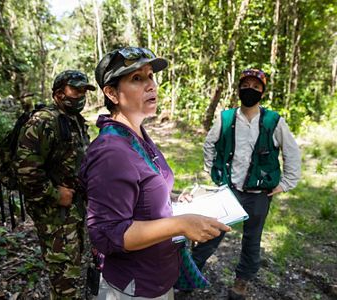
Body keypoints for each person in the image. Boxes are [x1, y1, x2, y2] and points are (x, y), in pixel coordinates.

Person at [79, 46, 231, 299]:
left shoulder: (136, 135)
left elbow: (140, 198)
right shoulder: (111, 152)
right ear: (111, 93)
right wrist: (180, 224)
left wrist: (171, 205)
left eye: (150, 76)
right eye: (137, 79)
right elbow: (107, 234)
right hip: (134, 287)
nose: (151, 85)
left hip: (158, 277)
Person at [192, 68, 301, 300]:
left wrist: (285, 183)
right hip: (229, 190)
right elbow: (209, 144)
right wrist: (213, 172)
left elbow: (292, 152)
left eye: (255, 86)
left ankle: (241, 283)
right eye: (245, 85)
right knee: (211, 234)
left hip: (260, 193)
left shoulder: (274, 121)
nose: (249, 90)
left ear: (262, 92)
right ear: (238, 88)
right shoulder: (226, 118)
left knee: (252, 239)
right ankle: (188, 275)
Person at [15, 70, 95, 299]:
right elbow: (26, 171)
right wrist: (54, 194)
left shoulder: (74, 120)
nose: (80, 95)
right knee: (64, 275)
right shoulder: (43, 121)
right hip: (54, 213)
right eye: (75, 89)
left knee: (71, 267)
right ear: (59, 93)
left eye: (83, 90)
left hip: (72, 210)